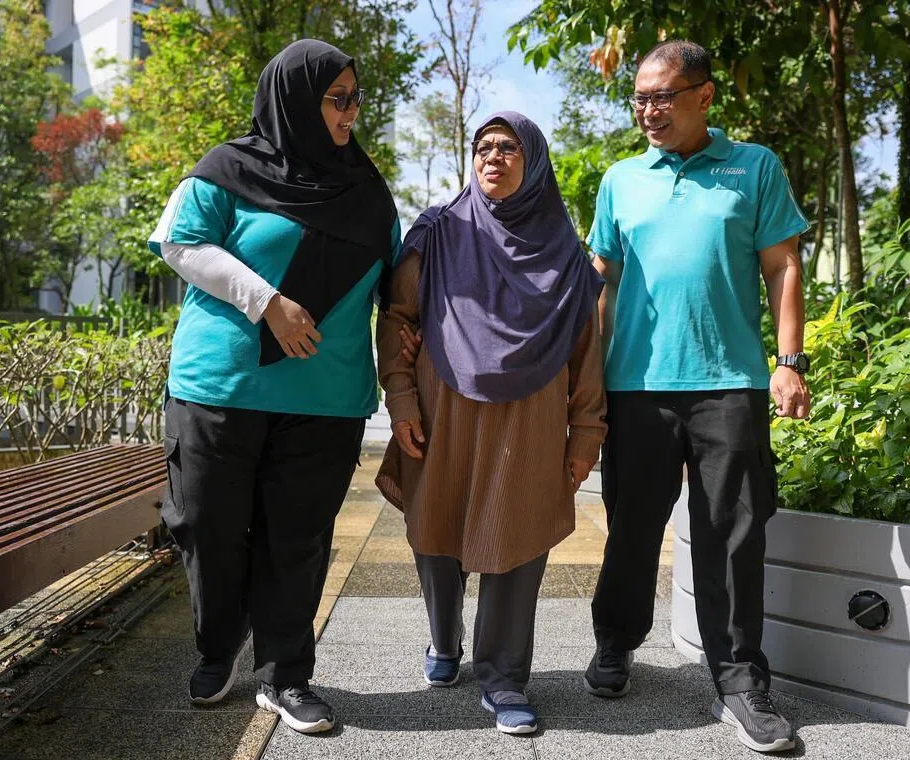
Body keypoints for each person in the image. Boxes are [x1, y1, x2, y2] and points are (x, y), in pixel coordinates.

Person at [147, 39, 400, 735]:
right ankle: (218, 645)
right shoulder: (225, 170)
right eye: (337, 99)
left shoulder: (369, 194)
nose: (351, 112)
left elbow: (398, 294)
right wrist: (267, 303)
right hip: (219, 388)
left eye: (356, 98)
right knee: (207, 525)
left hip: (325, 400)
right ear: (294, 99)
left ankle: (287, 675)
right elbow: (180, 244)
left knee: (298, 540)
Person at [581, 41, 811, 754]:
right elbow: (602, 280)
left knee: (733, 535)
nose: (648, 111)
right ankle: (616, 641)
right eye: (639, 99)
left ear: (704, 96)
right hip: (636, 387)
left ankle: (740, 682)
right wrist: (588, 378)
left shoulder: (754, 167)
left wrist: (790, 362)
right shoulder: (621, 179)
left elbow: (783, 265)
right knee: (630, 527)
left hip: (729, 384)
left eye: (662, 97)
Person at [375, 111, 606, 736]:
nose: (492, 157)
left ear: (534, 162)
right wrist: (401, 400)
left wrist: (586, 433)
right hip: (441, 408)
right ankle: (443, 637)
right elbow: (398, 318)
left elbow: (587, 350)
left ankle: (503, 678)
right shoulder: (438, 231)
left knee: (516, 539)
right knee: (436, 528)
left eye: (508, 148)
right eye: (483, 147)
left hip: (531, 418)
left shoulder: (566, 254)